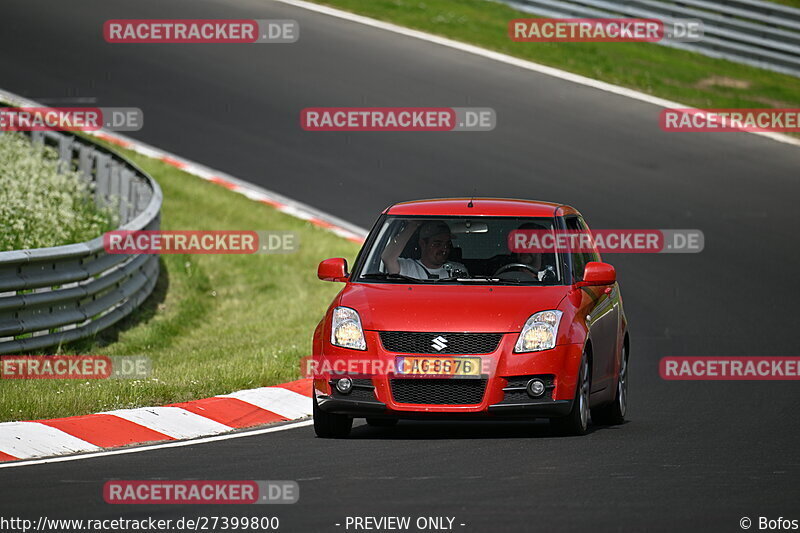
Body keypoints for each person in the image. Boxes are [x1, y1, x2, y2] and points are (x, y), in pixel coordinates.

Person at [381, 220, 468, 279]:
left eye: (447, 244)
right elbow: (387, 258)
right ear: (422, 243)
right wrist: (414, 224)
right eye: (437, 244)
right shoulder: (407, 267)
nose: (444, 249)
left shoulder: (458, 269)